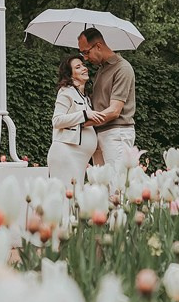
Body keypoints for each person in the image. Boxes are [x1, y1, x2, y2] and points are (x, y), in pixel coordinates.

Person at [77, 27, 136, 167]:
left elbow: (114, 111)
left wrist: (80, 123)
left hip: (116, 133)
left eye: (86, 52)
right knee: (100, 180)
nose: (85, 58)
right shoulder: (101, 69)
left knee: (117, 180)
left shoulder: (122, 68)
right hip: (99, 132)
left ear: (98, 46)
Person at [47, 55, 102, 189]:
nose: (84, 68)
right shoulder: (66, 92)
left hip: (80, 158)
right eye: (78, 67)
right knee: (66, 195)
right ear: (70, 74)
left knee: (75, 196)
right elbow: (57, 120)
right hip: (66, 154)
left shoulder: (86, 97)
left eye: (83, 65)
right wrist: (84, 114)